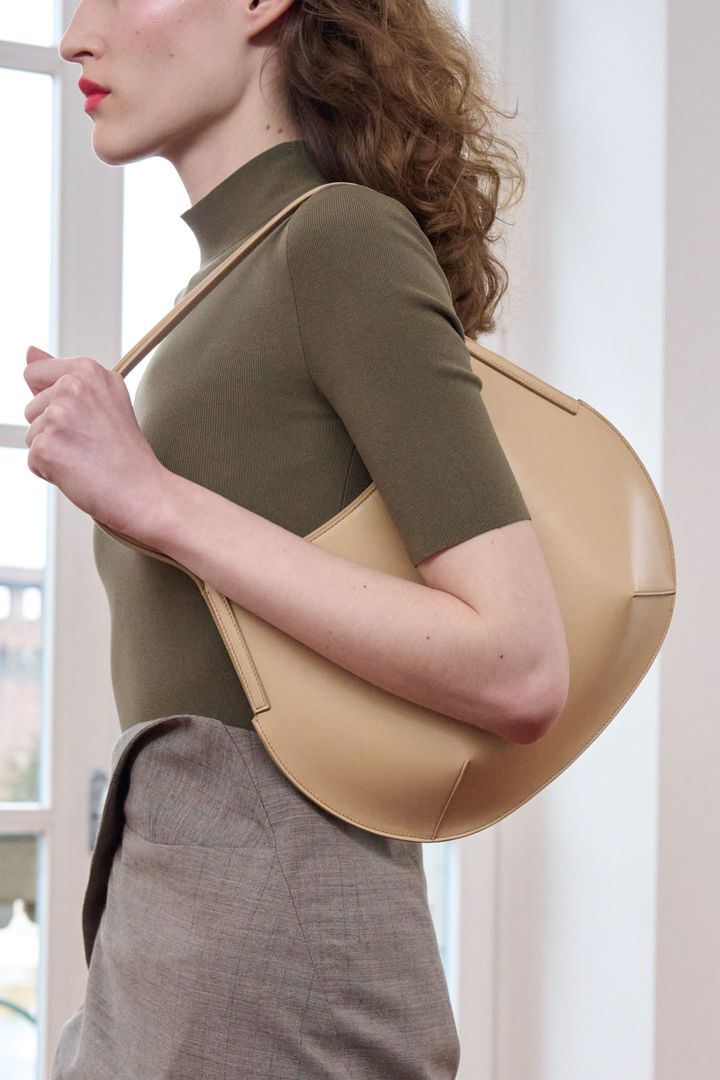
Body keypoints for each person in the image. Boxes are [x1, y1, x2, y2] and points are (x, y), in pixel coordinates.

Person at [27, 1, 569, 1077]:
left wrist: (155, 500)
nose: (77, 34)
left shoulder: (337, 239)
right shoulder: (220, 286)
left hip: (275, 963)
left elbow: (518, 662)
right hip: (172, 949)